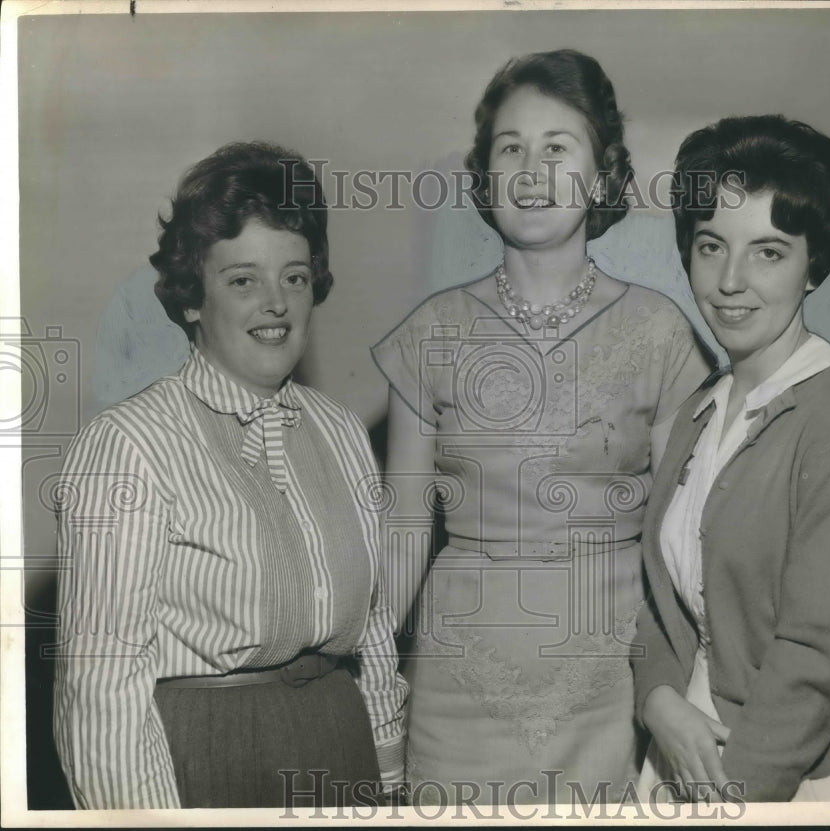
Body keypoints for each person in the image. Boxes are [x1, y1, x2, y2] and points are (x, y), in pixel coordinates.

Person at [371, 49, 710, 805]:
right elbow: (401, 534)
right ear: (485, 178)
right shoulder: (430, 333)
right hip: (456, 692)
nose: (531, 170)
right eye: (510, 148)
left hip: (611, 686)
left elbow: (679, 540)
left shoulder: (661, 334)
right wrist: (371, 679)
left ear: (601, 175)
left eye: (558, 148)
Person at [52, 141, 408, 809]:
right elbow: (102, 685)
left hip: (340, 742)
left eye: (295, 277)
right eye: (243, 280)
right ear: (192, 298)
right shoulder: (128, 445)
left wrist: (388, 780)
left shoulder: (341, 431)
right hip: (204, 760)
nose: (276, 303)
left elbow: (375, 629)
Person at [632, 115, 830, 803]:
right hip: (684, 766)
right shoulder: (703, 408)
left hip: (793, 783)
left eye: (768, 251)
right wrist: (659, 702)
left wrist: (734, 797)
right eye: (710, 246)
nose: (730, 281)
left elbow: (818, 661)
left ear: (813, 263)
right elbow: (656, 601)